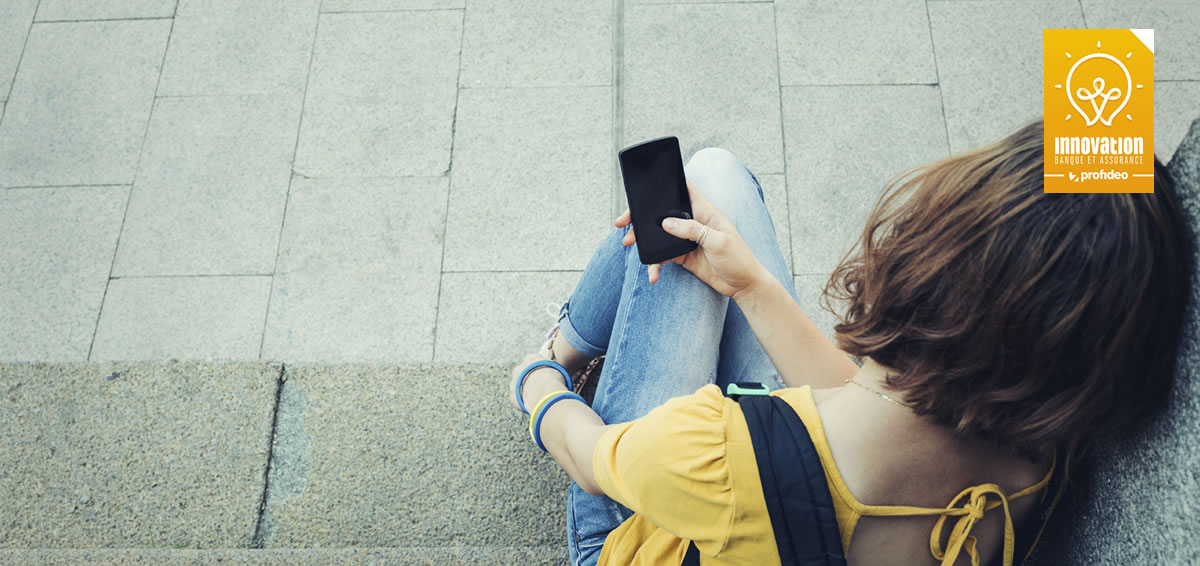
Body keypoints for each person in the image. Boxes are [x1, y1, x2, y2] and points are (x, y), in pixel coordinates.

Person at [506, 119, 1193, 566]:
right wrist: (749, 286)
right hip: (784, 501)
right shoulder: (1037, 460)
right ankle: (576, 332)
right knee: (710, 189)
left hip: (667, 523)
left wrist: (536, 382)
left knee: (703, 185)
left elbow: (590, 460)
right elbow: (860, 419)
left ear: (932, 262)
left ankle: (563, 342)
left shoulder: (707, 448)